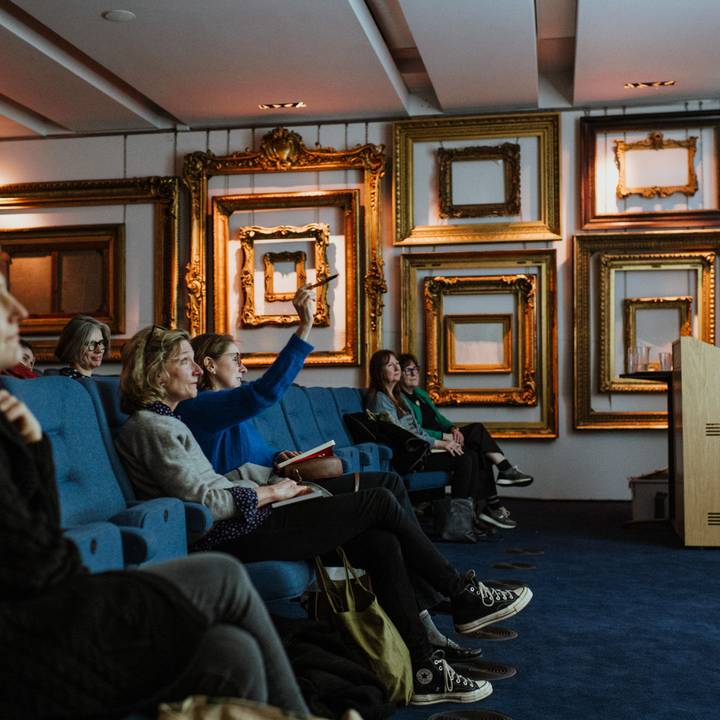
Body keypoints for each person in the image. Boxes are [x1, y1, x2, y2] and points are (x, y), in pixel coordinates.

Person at [115, 323, 534, 706]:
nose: (194, 371)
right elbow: (206, 501)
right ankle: (460, 594)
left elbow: (216, 483)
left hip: (247, 518)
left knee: (380, 539)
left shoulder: (167, 422)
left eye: (193, 360)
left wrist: (275, 481)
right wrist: (268, 491)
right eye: (184, 362)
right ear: (155, 370)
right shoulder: (153, 427)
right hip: (230, 533)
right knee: (380, 502)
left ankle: (424, 667)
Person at [0, 270, 310, 719]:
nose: (17, 312)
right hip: (40, 627)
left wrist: (27, 435)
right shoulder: (150, 424)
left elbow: (42, 538)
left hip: (63, 591)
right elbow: (35, 563)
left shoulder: (14, 421)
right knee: (222, 575)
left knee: (232, 649)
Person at [183, 302, 484, 663]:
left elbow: (253, 455)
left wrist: (283, 457)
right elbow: (264, 393)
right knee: (382, 499)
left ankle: (425, 630)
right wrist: (305, 326)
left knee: (384, 525)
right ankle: (454, 592)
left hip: (279, 494)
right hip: (258, 512)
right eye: (235, 358)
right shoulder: (204, 405)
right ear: (211, 365)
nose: (243, 365)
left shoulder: (228, 412)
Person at [365, 350, 516, 531]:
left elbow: (417, 430)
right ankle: (460, 524)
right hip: (408, 456)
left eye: (398, 364)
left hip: (419, 450)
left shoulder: (398, 398)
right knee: (464, 457)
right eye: (391, 365)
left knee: (469, 455)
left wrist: (447, 438)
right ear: (379, 371)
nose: (397, 368)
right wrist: (442, 443)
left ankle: (467, 519)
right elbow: (403, 434)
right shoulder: (380, 400)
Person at [397, 353, 533, 528]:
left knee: (477, 444)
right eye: (408, 370)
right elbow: (416, 431)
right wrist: (444, 437)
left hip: (445, 438)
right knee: (476, 439)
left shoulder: (420, 394)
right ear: (399, 374)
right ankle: (498, 490)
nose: (414, 373)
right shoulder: (400, 399)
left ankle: (491, 504)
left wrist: (453, 429)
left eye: (416, 369)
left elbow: (440, 419)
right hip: (432, 445)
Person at [54, 314, 110, 378]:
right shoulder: (65, 383)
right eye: (91, 344)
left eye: (101, 342)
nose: (99, 350)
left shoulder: (93, 380)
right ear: (73, 347)